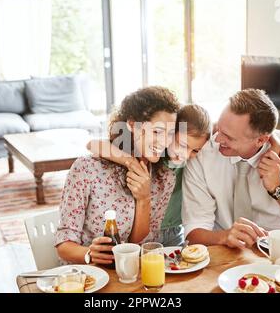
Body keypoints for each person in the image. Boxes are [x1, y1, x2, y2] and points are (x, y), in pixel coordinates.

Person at [182, 89, 280, 249]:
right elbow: (193, 233)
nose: (217, 139)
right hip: (223, 251)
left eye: (229, 137)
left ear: (261, 140)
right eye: (219, 128)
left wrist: (277, 188)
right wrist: (224, 237)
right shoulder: (202, 152)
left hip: (279, 250)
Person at [55, 86, 180, 265]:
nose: (164, 141)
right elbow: (64, 245)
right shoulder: (88, 169)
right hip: (86, 275)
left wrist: (144, 198)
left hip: (130, 273)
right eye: (157, 132)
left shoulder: (164, 178)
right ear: (131, 125)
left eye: (169, 133)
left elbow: (140, 242)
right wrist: (89, 253)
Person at [87, 104, 212, 247]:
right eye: (182, 145)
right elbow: (92, 144)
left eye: (195, 150)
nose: (186, 155)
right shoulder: (153, 157)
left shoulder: (192, 165)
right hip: (144, 234)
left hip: (175, 232)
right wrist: (130, 162)